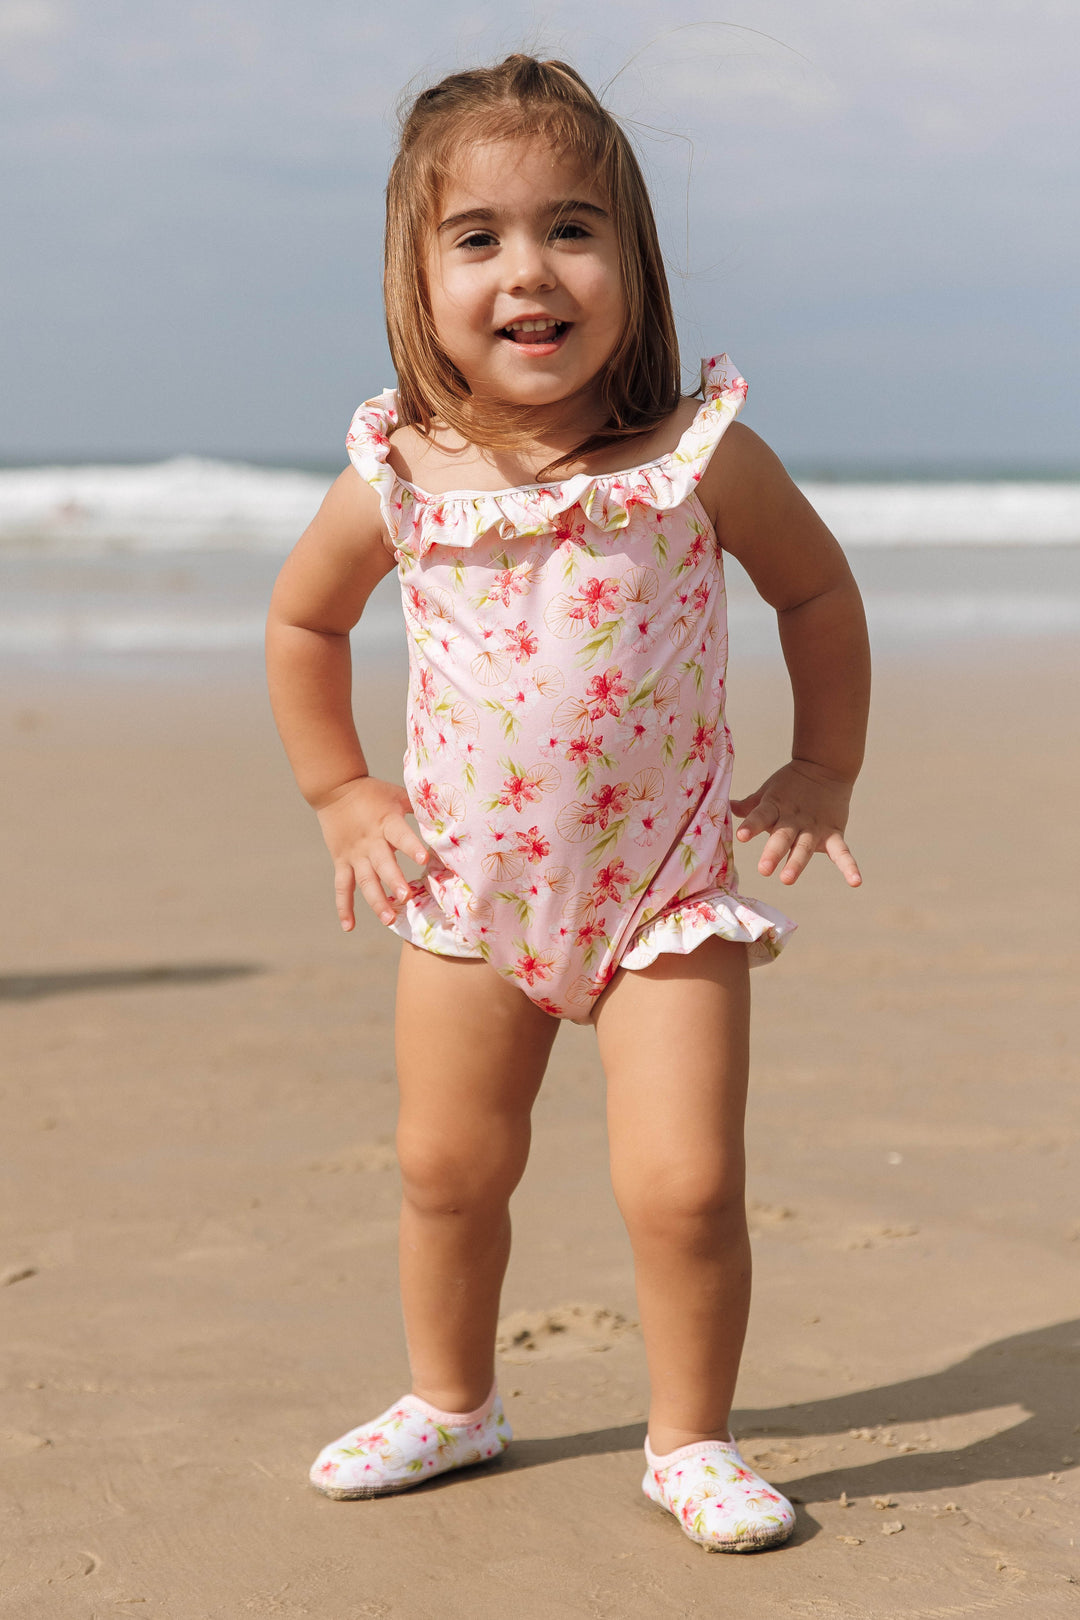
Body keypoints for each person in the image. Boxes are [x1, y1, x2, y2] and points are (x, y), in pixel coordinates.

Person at [265, 53, 870, 1553]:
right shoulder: (402, 473)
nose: (529, 270)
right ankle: (455, 1399)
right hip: (471, 897)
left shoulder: (694, 462)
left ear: (632, 263)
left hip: (663, 888)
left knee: (684, 1186)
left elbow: (818, 590)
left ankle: (691, 1440)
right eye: (478, 237)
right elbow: (303, 624)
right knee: (446, 1169)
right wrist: (341, 789)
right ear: (419, 276)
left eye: (572, 229)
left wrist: (824, 763)